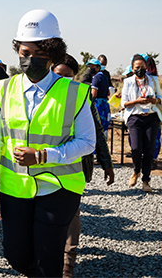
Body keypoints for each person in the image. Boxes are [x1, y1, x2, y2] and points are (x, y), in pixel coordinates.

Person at [0, 9, 96, 277]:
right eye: (24, 52)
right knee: (15, 254)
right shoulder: (2, 89)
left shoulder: (75, 93)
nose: (29, 59)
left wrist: (45, 156)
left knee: (48, 256)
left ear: (52, 54)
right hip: (14, 188)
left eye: (38, 53)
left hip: (59, 189)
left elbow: (87, 142)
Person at [51, 54, 116, 277]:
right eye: (57, 75)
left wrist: (106, 163)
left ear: (75, 77)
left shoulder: (82, 97)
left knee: (71, 213)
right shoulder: (39, 97)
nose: (62, 80)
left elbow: (97, 131)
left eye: (67, 76)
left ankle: (68, 262)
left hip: (75, 165)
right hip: (44, 165)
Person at [123, 54, 162, 188]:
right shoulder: (128, 81)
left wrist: (154, 100)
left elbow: (160, 98)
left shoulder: (153, 80)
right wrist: (137, 101)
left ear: (146, 67)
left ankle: (146, 180)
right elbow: (124, 103)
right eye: (137, 67)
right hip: (135, 118)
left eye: (142, 67)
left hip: (151, 117)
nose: (139, 69)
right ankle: (136, 171)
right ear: (132, 68)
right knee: (136, 148)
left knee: (149, 150)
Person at [88, 58, 113, 132]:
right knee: (103, 128)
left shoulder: (96, 78)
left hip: (98, 105)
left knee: (96, 128)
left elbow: (94, 94)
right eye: (90, 67)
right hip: (105, 104)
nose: (91, 69)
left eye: (93, 67)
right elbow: (108, 93)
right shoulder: (104, 77)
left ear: (98, 68)